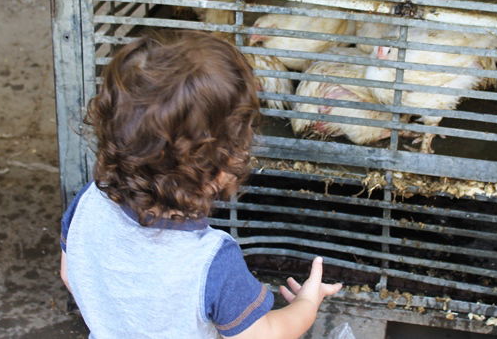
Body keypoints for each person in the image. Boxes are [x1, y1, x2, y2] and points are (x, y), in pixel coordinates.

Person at [59, 30, 342, 338]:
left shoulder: (87, 204)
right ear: (221, 167)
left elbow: (71, 274)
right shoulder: (212, 262)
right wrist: (306, 302)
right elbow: (265, 334)